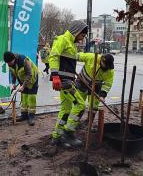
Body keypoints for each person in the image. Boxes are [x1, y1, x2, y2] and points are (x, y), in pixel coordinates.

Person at [49, 20, 88, 148]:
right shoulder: (63, 39)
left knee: (66, 109)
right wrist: (55, 76)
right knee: (80, 104)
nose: (82, 39)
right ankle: (68, 132)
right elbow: (54, 56)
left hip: (67, 80)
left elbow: (66, 62)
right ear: (77, 32)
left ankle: (57, 137)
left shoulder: (71, 44)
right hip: (64, 81)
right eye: (82, 36)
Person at [76, 53, 114, 124]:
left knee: (93, 106)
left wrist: (102, 95)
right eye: (106, 65)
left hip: (96, 86)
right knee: (79, 104)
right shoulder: (91, 57)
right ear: (102, 60)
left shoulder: (110, 71)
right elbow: (77, 56)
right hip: (82, 83)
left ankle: (89, 122)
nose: (107, 68)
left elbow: (108, 84)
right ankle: (75, 121)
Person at [3, 51, 38, 126]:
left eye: (9, 62)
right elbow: (13, 74)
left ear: (14, 59)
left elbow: (29, 74)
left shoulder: (24, 60)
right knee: (24, 96)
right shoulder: (10, 64)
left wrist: (23, 86)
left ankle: (31, 116)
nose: (9, 64)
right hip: (23, 80)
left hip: (32, 79)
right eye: (7, 63)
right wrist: (13, 84)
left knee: (31, 97)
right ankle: (24, 115)